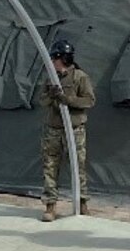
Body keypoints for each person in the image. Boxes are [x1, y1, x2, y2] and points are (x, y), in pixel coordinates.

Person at [39, 37, 96, 222]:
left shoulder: (80, 77)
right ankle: (50, 206)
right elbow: (41, 101)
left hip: (74, 129)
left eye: (54, 59)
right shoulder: (51, 78)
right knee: (50, 166)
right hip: (53, 129)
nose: (52, 63)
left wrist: (67, 99)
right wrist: (51, 95)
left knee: (78, 166)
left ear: (62, 58)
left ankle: (82, 203)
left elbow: (89, 101)